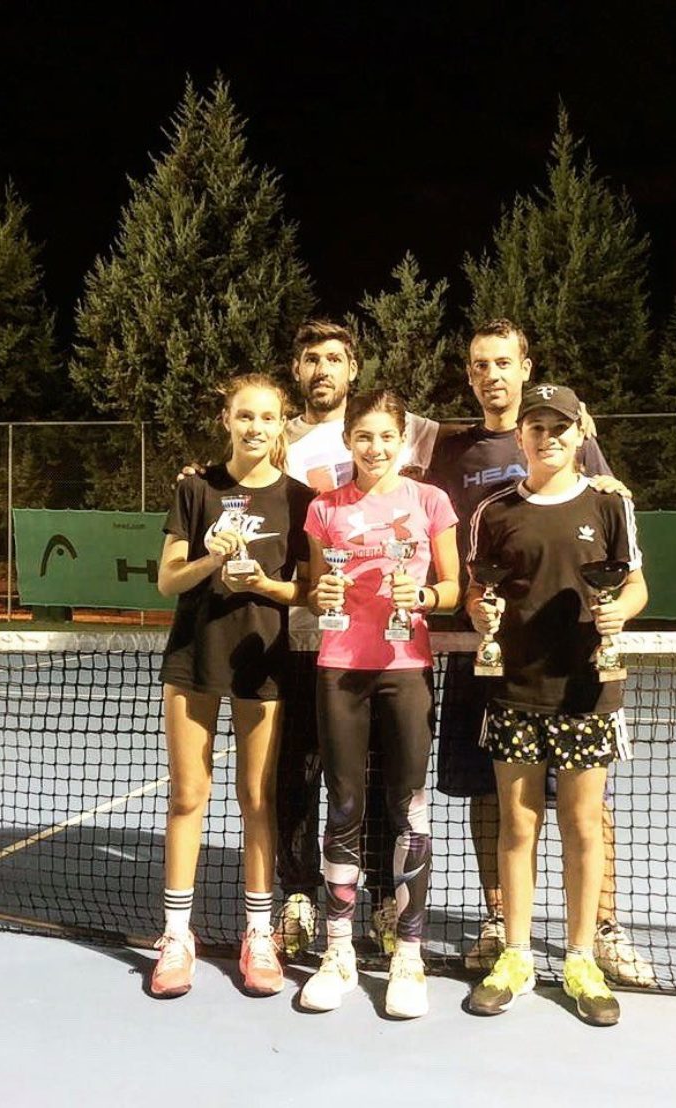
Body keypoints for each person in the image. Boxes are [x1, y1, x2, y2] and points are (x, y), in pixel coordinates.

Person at [425, 319, 655, 987]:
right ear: (469, 375)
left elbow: (616, 543)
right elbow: (374, 443)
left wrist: (619, 608)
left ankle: (601, 930)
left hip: (577, 669)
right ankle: (502, 923)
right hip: (490, 657)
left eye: (502, 361)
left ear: (525, 368)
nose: (490, 374)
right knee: (490, 796)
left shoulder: (585, 460)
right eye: (479, 364)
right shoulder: (449, 449)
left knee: (584, 809)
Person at [464, 383, 647, 1025]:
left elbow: (636, 585)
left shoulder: (610, 504)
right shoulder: (493, 512)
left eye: (559, 427)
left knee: (581, 826)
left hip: (586, 692)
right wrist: (479, 611)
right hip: (515, 691)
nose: (548, 438)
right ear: (521, 437)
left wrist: (620, 612)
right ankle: (516, 955)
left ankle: (580, 957)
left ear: (580, 434)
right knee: (518, 826)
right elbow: (477, 592)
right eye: (537, 428)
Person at [276, 320, 438, 959]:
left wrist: (589, 449)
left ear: (353, 369)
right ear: (297, 369)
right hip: (304, 641)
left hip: (388, 648)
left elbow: (483, 432)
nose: (322, 369)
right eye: (311, 358)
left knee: (378, 780)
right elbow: (237, 472)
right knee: (300, 774)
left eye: (335, 358)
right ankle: (299, 896)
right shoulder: (279, 436)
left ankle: (378, 900)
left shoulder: (393, 427)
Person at [150, 374, 314, 999]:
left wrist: (262, 586)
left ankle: (258, 934)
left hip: (261, 661)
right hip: (194, 658)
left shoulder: (299, 499)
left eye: (267, 417)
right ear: (226, 419)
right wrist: (212, 559)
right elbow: (168, 580)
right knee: (187, 796)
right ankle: (176, 936)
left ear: (281, 424)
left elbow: (306, 591)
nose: (255, 427)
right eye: (245, 416)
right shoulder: (196, 489)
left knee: (257, 798)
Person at [300, 388, 459, 1018]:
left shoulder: (431, 501)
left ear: (403, 440)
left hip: (406, 669)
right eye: (363, 436)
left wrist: (423, 596)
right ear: (349, 441)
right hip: (340, 668)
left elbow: (454, 588)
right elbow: (316, 587)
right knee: (343, 806)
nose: (375, 447)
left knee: (409, 810)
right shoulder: (324, 509)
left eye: (386, 435)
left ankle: (408, 956)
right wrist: (321, 593)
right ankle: (338, 952)